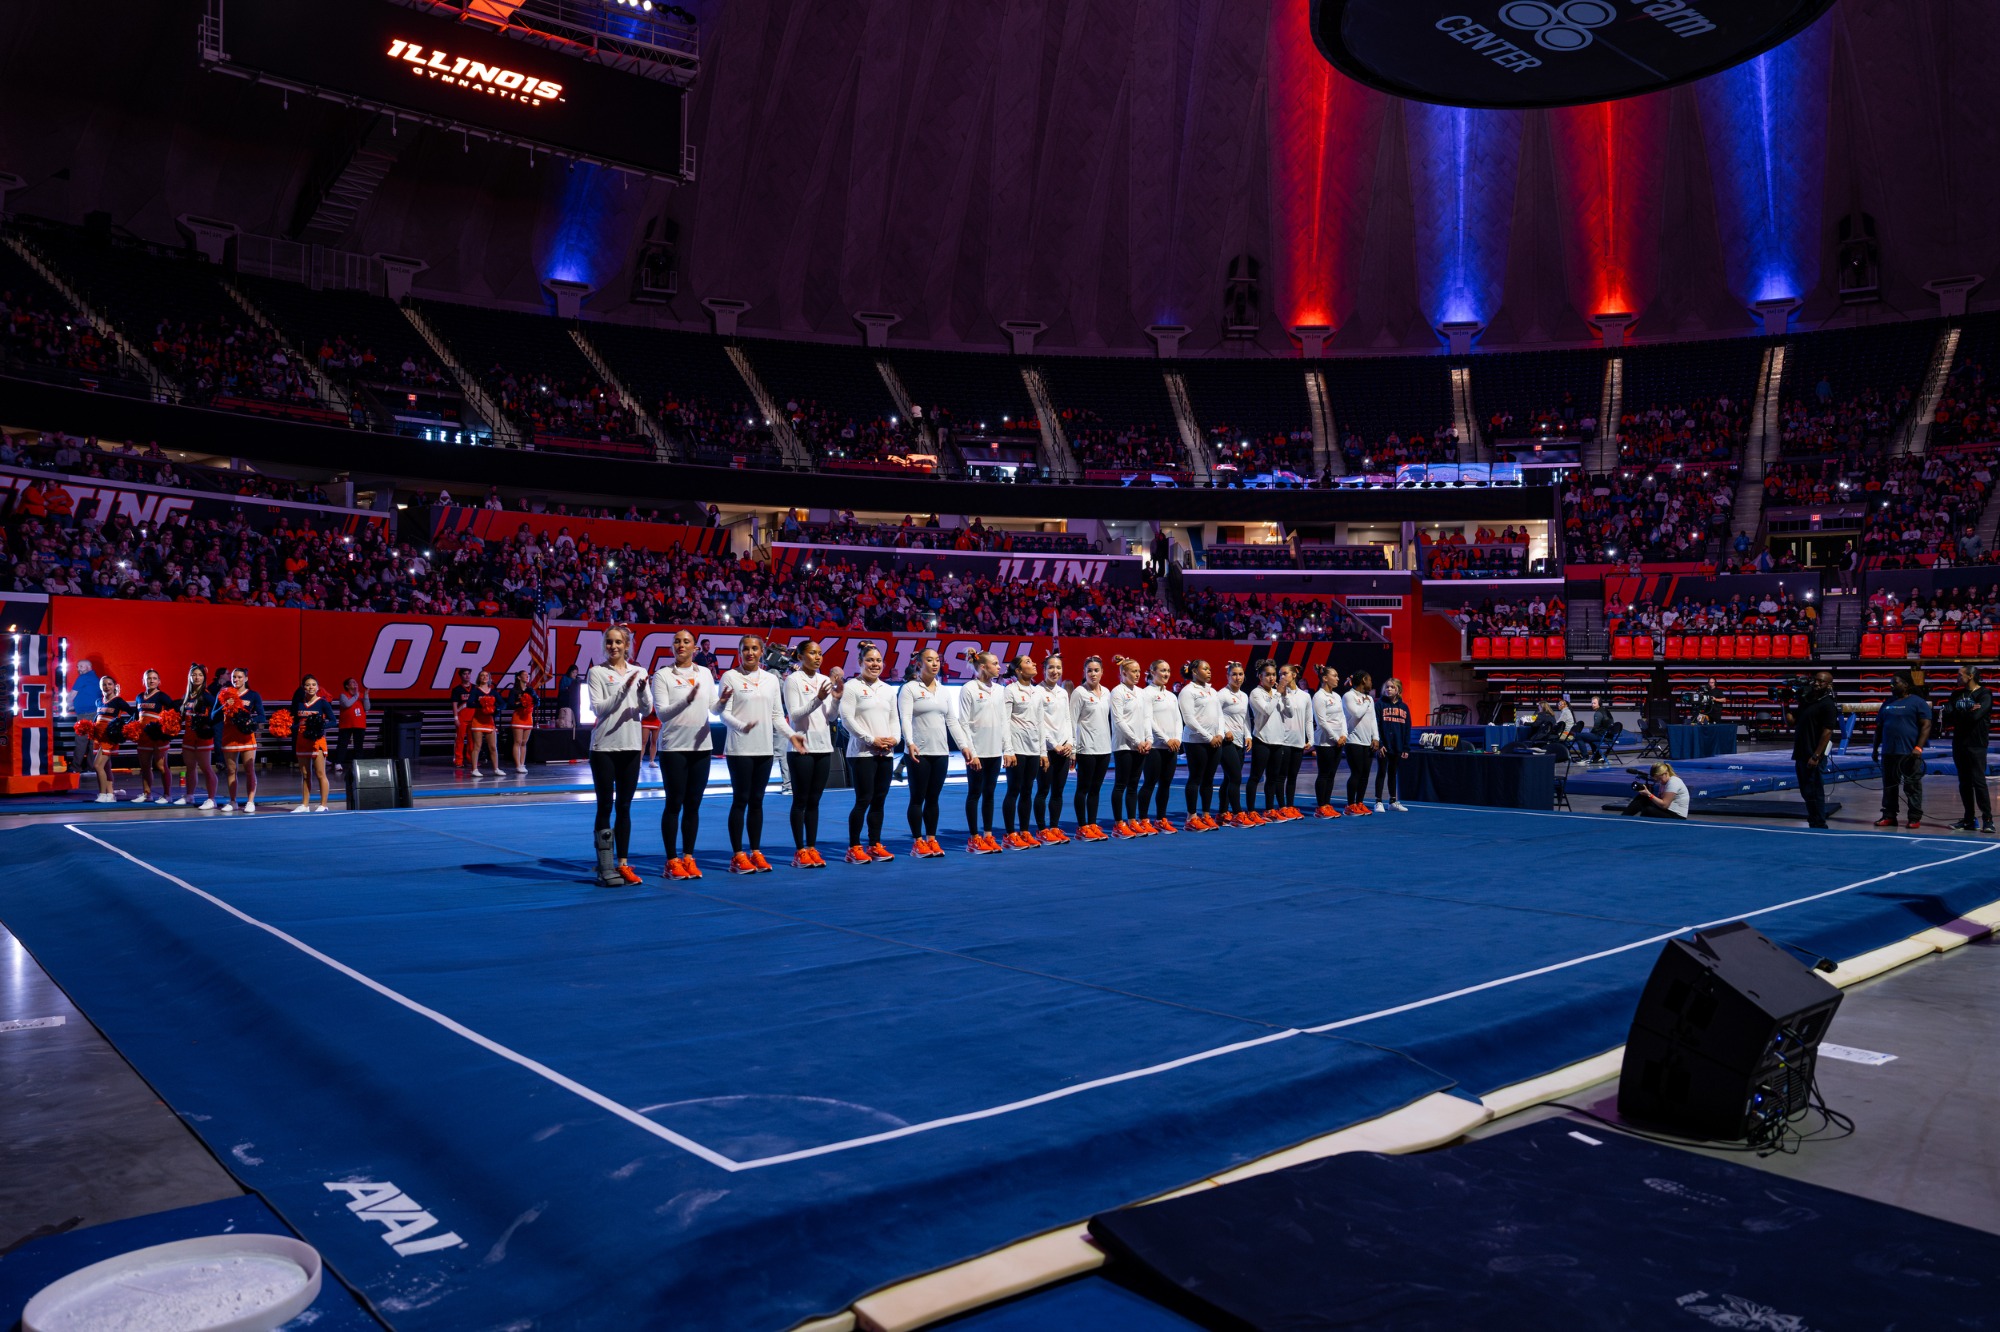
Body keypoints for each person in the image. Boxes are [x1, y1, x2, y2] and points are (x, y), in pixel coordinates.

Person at [718, 635, 805, 873]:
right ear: (739, 652)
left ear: (761, 652)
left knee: (757, 802)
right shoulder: (730, 677)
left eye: (754, 648)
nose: (750, 653)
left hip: (764, 750)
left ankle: (755, 851)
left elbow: (777, 715)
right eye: (745, 649)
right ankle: (737, 855)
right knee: (741, 800)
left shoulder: (770, 680)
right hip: (739, 750)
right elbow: (723, 714)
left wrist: (791, 736)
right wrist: (741, 726)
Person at [650, 629, 718, 879]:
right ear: (672, 647)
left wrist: (724, 703)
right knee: (674, 804)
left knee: (693, 806)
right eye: (677, 641)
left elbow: (713, 707)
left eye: (686, 641)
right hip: (674, 748)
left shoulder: (706, 674)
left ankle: (688, 857)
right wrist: (686, 700)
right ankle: (671, 860)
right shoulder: (663, 675)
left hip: (702, 747)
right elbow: (662, 714)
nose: (681, 644)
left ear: (695, 648)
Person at [587, 625, 650, 885]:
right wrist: (624, 689)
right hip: (604, 748)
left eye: (618, 642)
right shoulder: (597, 672)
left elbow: (646, 709)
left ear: (627, 645)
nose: (613, 647)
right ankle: (605, 866)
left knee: (625, 807)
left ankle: (623, 863)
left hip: (631, 747)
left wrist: (641, 691)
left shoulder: (640, 671)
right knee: (605, 805)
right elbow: (598, 709)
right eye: (609, 642)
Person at [898, 648, 964, 858]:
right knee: (917, 798)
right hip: (919, 752)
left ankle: (931, 840)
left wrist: (964, 746)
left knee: (933, 799)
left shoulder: (944, 691)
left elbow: (952, 721)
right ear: (919, 663)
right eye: (929, 660)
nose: (934, 664)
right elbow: (905, 718)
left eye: (937, 660)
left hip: (941, 753)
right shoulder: (909, 689)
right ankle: (917, 842)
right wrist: (909, 742)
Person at [839, 644, 901, 862]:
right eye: (870, 660)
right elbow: (847, 720)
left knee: (879, 800)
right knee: (863, 799)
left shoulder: (887, 690)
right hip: (862, 753)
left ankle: (874, 844)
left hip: (886, 753)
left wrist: (895, 739)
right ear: (860, 662)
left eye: (878, 660)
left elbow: (894, 720)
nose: (875, 664)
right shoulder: (852, 687)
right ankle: (854, 847)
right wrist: (870, 739)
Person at [783, 642, 842, 868]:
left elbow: (829, 717)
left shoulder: (825, 680)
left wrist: (835, 699)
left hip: (823, 747)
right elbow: (795, 716)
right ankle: (799, 851)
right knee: (801, 801)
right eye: (812, 653)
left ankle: (812, 847)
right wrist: (817, 698)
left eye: (820, 654)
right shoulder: (793, 680)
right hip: (802, 748)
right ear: (800, 656)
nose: (817, 657)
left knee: (815, 801)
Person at [958, 650, 1010, 852]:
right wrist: (972, 752)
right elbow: (964, 722)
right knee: (974, 793)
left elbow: (1004, 721)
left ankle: (988, 835)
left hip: (995, 751)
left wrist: (1008, 749)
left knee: (989, 793)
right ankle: (973, 837)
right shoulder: (969, 689)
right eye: (995, 663)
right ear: (982, 667)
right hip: (977, 753)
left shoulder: (999, 689)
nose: (999, 667)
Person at [1872, 673, 1932, 829]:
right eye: (1890, 683)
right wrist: (1875, 749)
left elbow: (1926, 726)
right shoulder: (1887, 703)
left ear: (1906, 684)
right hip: (1889, 752)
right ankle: (1889, 815)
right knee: (1889, 786)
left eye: (1895, 683)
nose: (1891, 686)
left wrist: (1918, 747)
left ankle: (1914, 817)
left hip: (1909, 753)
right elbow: (1879, 728)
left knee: (1912, 786)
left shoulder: (1918, 703)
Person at [1000, 655, 1048, 849]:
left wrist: (1043, 752)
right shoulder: (1010, 690)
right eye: (1028, 662)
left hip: (1033, 748)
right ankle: (1010, 833)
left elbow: (1040, 723)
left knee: (1028, 790)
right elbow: (1004, 721)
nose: (1034, 663)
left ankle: (1025, 831)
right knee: (1014, 790)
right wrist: (1008, 750)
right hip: (1016, 749)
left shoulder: (1038, 692)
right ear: (1018, 670)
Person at [1943, 664, 1993, 833]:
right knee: (1964, 783)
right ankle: (1969, 819)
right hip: (1959, 743)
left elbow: (1977, 716)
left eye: (1960, 675)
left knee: (1978, 781)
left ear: (1970, 676)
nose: (1957, 678)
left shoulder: (1984, 694)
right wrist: (1967, 713)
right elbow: (1947, 718)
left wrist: (1959, 714)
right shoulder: (1956, 694)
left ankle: (1988, 820)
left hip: (1977, 744)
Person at [1067, 655, 1113, 840]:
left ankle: (1092, 824)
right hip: (1086, 748)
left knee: (1096, 789)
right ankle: (1082, 826)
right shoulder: (1079, 692)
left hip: (1104, 748)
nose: (1093, 674)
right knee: (1083, 788)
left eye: (1096, 670)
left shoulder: (1108, 692)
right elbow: (1071, 721)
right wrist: (1073, 749)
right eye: (1089, 671)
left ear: (1102, 672)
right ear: (1084, 673)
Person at [1177, 659, 1224, 830]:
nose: (1209, 671)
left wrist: (1220, 733)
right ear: (1195, 672)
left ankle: (1205, 815)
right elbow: (1189, 719)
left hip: (1215, 740)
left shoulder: (1212, 691)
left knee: (1209, 780)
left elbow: (1220, 715)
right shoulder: (1187, 691)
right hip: (1196, 742)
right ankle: (1191, 818)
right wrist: (1208, 737)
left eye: (1210, 668)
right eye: (1205, 668)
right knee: (1196, 778)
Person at [1136, 659, 1182, 833]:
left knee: (1165, 784)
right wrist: (1165, 739)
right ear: (1152, 672)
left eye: (1168, 670)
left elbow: (1178, 719)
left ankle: (1161, 818)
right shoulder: (1146, 693)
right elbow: (1149, 720)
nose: (1166, 674)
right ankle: (1143, 819)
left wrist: (1177, 738)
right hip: (1155, 746)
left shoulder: (1171, 695)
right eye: (1162, 670)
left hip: (1171, 747)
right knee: (1149, 783)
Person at [212, 667, 267, 813]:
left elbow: (262, 716)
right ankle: (233, 801)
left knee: (249, 770)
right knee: (231, 770)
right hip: (229, 736)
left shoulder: (254, 695)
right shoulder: (224, 694)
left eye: (240, 677)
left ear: (246, 679)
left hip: (246, 737)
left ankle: (250, 801)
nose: (236, 680)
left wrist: (251, 721)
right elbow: (213, 716)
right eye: (234, 677)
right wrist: (225, 705)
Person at [1109, 657, 1152, 837]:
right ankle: (1119, 824)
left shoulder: (1142, 692)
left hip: (1141, 745)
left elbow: (1147, 718)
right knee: (1121, 784)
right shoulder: (1117, 692)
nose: (1137, 675)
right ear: (1123, 673)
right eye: (1134, 671)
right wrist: (1136, 741)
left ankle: (1132, 820)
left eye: (1139, 671)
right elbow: (1118, 720)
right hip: (1124, 745)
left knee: (1134, 784)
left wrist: (1148, 738)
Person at [1035, 654, 1075, 843]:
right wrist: (1054, 745)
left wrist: (1069, 743)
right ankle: (1042, 829)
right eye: (1051, 667)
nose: (1055, 671)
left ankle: (1054, 827)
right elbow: (1039, 723)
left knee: (1058, 791)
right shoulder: (1037, 692)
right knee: (1043, 790)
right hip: (1046, 750)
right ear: (1043, 670)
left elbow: (1067, 720)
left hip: (1064, 749)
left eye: (1058, 668)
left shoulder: (1062, 693)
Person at [1791, 670, 1838, 830]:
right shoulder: (1807, 700)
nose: (1817, 684)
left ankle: (1820, 823)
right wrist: (1784, 704)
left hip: (1814, 754)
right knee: (1805, 791)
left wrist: (1817, 755)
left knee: (1815, 790)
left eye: (1821, 682)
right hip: (1801, 752)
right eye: (1815, 680)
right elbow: (1792, 722)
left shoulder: (1828, 705)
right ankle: (1813, 820)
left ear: (1829, 685)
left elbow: (1827, 732)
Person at [290, 675, 339, 813]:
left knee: (320, 773)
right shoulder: (299, 703)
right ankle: (305, 805)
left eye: (313, 684)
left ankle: (323, 805)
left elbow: (333, 721)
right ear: (303, 687)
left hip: (317, 740)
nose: (310, 687)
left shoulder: (323, 703)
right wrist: (289, 727)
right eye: (307, 685)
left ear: (317, 687)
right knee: (305, 774)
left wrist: (320, 726)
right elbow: (293, 721)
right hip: (302, 740)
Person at [174, 663, 219, 809]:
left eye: (200, 675)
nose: (197, 677)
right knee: (190, 767)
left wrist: (208, 724)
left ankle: (212, 799)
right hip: (188, 736)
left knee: (206, 767)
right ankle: (189, 796)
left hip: (202, 737)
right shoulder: (187, 696)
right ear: (190, 677)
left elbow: (219, 713)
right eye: (194, 675)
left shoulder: (207, 696)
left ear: (204, 678)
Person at [130, 668, 175, 804]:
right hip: (144, 736)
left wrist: (166, 728)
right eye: (149, 678)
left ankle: (167, 795)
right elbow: (136, 716)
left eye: (154, 678)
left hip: (158, 736)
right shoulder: (139, 697)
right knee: (144, 767)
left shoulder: (162, 696)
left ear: (159, 681)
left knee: (161, 766)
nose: (151, 680)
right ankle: (147, 794)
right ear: (144, 681)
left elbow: (173, 711)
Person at [1217, 662, 1253, 826]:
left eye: (1240, 674)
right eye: (1234, 674)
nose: (1238, 677)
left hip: (1240, 740)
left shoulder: (1244, 696)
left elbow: (1245, 718)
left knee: (1228, 778)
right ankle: (1238, 813)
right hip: (1226, 741)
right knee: (1236, 778)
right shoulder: (1222, 695)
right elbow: (1216, 715)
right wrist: (1225, 731)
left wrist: (1248, 736)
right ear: (1228, 676)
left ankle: (1222, 813)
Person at [1310, 665, 1348, 818]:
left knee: (1332, 774)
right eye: (1335, 675)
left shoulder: (1337, 696)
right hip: (1325, 742)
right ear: (1325, 678)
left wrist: (1344, 734)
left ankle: (1327, 804)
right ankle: (1320, 807)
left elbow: (1342, 717)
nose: (1338, 678)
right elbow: (1322, 722)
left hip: (1339, 741)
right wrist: (1335, 737)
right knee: (1324, 774)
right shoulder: (1319, 696)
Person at [88, 674, 133, 803]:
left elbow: (134, 713)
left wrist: (121, 727)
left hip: (109, 738)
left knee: (97, 765)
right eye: (104, 684)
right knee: (106, 767)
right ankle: (110, 794)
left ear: (114, 686)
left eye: (109, 684)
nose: (106, 686)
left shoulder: (118, 701)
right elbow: (98, 717)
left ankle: (102, 794)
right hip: (98, 737)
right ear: (100, 687)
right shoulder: (99, 701)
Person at [1341, 671, 1380, 816]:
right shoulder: (1348, 696)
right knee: (1356, 773)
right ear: (1364, 680)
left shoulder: (1369, 698)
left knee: (1365, 775)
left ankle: (1360, 802)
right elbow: (1357, 714)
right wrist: (1365, 702)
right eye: (1369, 680)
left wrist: (1375, 737)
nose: (1371, 683)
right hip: (1353, 741)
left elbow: (1373, 720)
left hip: (1367, 741)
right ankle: (1350, 805)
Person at [1273, 664, 1309, 819]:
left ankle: (1291, 805)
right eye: (1280, 674)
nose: (1281, 677)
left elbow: (1308, 719)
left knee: (1293, 776)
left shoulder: (1305, 696)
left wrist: (1310, 739)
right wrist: (1281, 694)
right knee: (1281, 776)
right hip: (1283, 740)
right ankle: (1282, 807)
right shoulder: (1276, 694)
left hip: (1298, 741)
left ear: (1294, 675)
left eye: (1285, 673)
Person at [1373, 677, 1412, 813]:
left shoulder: (1404, 707)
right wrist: (1380, 744)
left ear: (1398, 690)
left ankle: (1393, 801)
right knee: (1381, 772)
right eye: (1387, 687)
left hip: (1397, 746)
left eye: (1392, 687)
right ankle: (1378, 801)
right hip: (1383, 746)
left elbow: (1407, 728)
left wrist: (1406, 747)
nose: (1388, 689)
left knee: (1393, 773)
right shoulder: (1379, 705)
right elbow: (1376, 725)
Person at [1621, 761, 1690, 819]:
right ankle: (1623, 818)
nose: (1659, 781)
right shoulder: (1664, 782)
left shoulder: (1673, 782)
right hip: (1668, 811)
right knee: (1642, 798)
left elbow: (1664, 805)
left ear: (1665, 774)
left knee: (1648, 810)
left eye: (1659, 779)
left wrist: (1649, 794)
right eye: (1656, 779)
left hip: (1677, 816)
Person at [467, 669, 500, 776]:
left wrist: (495, 709)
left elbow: (503, 703)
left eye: (486, 675)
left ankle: (496, 769)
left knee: (493, 747)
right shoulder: (475, 690)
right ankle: (474, 769)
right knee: (477, 746)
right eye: (482, 675)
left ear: (489, 678)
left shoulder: (493, 692)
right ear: (479, 678)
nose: (484, 677)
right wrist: (482, 705)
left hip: (489, 721)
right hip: (478, 721)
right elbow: (469, 703)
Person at [334, 677, 369, 774]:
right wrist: (356, 696)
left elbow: (367, 707)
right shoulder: (344, 695)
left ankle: (358, 763)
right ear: (347, 686)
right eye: (352, 682)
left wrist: (366, 697)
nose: (355, 684)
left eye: (355, 682)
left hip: (360, 724)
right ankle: (338, 763)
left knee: (359, 745)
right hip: (346, 724)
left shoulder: (361, 695)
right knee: (343, 744)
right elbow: (346, 704)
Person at [503, 672, 535, 775]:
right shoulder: (514, 690)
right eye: (525, 675)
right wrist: (521, 703)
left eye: (528, 675)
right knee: (518, 741)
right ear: (518, 677)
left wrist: (532, 701)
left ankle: (522, 763)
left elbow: (537, 701)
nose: (527, 676)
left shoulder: (530, 690)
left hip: (528, 717)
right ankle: (517, 765)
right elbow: (510, 704)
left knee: (524, 742)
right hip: (518, 717)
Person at [449, 668, 474, 770]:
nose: (467, 676)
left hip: (473, 717)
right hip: (462, 717)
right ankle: (458, 760)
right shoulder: (457, 689)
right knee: (460, 739)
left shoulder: (475, 688)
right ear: (461, 676)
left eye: (468, 674)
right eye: (464, 674)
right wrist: (455, 718)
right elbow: (454, 704)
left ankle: (471, 759)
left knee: (472, 740)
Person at [556, 664, 584, 731]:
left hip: (576, 701)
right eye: (573, 672)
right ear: (569, 672)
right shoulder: (565, 678)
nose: (575, 674)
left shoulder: (578, 680)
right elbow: (562, 690)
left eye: (576, 672)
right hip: (565, 700)